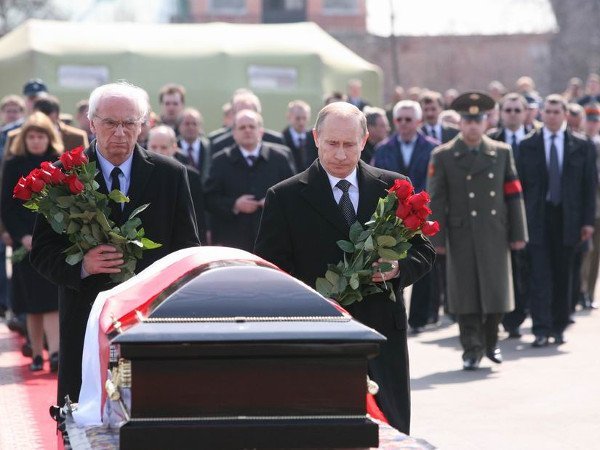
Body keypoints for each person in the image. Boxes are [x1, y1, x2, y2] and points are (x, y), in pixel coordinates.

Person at [255, 102, 435, 434]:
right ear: (316, 138)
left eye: (349, 144)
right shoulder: (285, 197)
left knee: (388, 429)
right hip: (318, 335)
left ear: (364, 141)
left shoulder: (392, 188)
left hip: (382, 334)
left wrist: (398, 268)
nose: (340, 154)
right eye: (332, 143)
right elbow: (271, 272)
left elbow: (423, 251)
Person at [30, 81, 200, 405]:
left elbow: (187, 250)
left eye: (129, 123)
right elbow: (41, 252)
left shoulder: (171, 175)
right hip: (85, 318)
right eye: (110, 123)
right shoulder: (63, 175)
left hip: (149, 319)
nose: (120, 133)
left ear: (143, 125)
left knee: (147, 410)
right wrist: (82, 266)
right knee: (85, 412)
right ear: (92, 123)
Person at [427, 92, 528, 370]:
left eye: (478, 120)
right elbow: (436, 199)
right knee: (466, 294)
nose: (473, 125)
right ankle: (471, 348)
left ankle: (491, 340)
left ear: (486, 122)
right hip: (461, 233)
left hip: (494, 232)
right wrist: (436, 237)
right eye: (468, 120)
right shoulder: (443, 155)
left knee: (497, 292)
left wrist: (518, 233)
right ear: (460, 123)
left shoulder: (501, 152)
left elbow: (513, 194)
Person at [517, 94, 597, 347]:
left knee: (564, 275)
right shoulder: (527, 145)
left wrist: (587, 222)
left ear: (565, 114)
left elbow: (589, 187)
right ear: (542, 114)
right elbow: (520, 187)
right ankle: (541, 328)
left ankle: (559, 326)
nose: (551, 116)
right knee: (539, 275)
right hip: (537, 218)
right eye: (548, 112)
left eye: (556, 112)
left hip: (568, 218)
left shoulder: (581, 145)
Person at [1, 112, 62, 372]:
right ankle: (37, 353)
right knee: (33, 303)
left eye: (41, 136)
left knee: (52, 300)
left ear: (49, 138)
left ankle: (56, 352)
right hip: (24, 242)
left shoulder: (57, 162)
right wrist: (22, 236)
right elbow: (7, 206)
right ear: (24, 139)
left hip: (52, 241)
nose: (36, 141)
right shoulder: (14, 164)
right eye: (32, 137)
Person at [373, 100, 437, 334]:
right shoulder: (383, 148)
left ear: (418, 121)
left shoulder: (432, 148)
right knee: (391, 264)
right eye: (399, 119)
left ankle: (419, 318)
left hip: (423, 214)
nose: (403, 123)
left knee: (420, 262)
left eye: (408, 119)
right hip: (393, 218)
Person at [204, 109, 295, 252]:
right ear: (234, 133)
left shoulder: (279, 158)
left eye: (252, 126)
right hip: (233, 242)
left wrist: (273, 202)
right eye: (242, 127)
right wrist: (234, 204)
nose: (247, 130)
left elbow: (293, 194)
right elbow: (209, 199)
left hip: (273, 239)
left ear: (261, 131)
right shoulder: (220, 161)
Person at [487, 92, 531, 338]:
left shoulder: (535, 139)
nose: (512, 115)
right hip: (499, 216)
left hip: (531, 213)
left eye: (517, 110)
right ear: (501, 114)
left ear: (525, 114)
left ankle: (526, 311)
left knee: (529, 267)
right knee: (507, 268)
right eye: (508, 110)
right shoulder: (491, 140)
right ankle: (510, 319)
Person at [148, 125, 207, 244]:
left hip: (178, 241)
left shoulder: (191, 176)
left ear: (174, 147)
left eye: (163, 147)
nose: (158, 152)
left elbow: (197, 216)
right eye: (154, 147)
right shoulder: (138, 172)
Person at [579, 103, 600, 310]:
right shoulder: (579, 143)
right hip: (585, 207)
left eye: (596, 121)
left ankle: (589, 294)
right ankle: (580, 291)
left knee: (595, 255)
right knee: (584, 251)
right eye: (590, 121)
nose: (593, 125)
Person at [176, 107, 212, 183]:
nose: (191, 127)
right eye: (187, 124)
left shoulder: (210, 147)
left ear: (201, 127)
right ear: (179, 126)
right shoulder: (173, 148)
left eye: (194, 124)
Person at [282, 100, 318, 171]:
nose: (301, 122)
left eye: (304, 118)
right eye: (297, 118)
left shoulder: (315, 137)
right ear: (289, 117)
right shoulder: (282, 139)